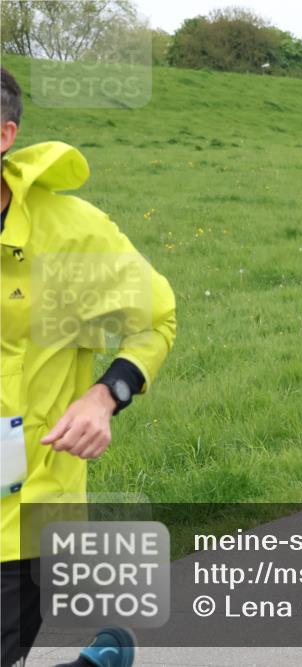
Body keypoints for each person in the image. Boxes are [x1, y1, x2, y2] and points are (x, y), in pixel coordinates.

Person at [1, 68, 176, 667]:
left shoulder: (66, 237)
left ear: (5, 136)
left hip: (22, 508)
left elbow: (153, 320)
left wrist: (104, 397)